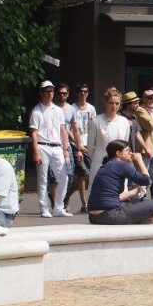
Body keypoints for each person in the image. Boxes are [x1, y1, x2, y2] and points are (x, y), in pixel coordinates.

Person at [87, 139, 153, 225]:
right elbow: (146, 180)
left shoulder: (104, 167)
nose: (131, 153)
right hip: (110, 215)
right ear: (118, 153)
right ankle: (145, 218)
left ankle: (143, 218)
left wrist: (138, 190)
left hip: (94, 217)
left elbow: (116, 197)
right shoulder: (121, 165)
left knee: (126, 204)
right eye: (128, 151)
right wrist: (139, 160)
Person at [29, 80, 72, 218]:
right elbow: (34, 134)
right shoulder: (36, 111)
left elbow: (63, 130)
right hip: (42, 146)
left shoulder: (58, 110)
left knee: (64, 177)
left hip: (57, 146)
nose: (50, 94)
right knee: (43, 178)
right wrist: (36, 152)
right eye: (47, 91)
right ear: (41, 93)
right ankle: (44, 208)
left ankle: (58, 207)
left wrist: (65, 148)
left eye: (51, 91)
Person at [87, 87, 131, 185]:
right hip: (100, 163)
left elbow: (125, 144)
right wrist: (97, 158)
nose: (114, 106)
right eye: (111, 103)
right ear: (105, 103)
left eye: (117, 103)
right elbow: (90, 146)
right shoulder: (96, 121)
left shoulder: (124, 122)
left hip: (119, 164)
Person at [65, 82, 96, 213]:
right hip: (76, 145)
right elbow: (68, 129)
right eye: (81, 92)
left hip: (89, 145)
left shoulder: (91, 109)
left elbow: (94, 127)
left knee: (85, 176)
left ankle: (65, 197)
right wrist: (78, 146)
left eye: (86, 91)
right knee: (82, 174)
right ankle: (85, 204)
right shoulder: (72, 109)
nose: (83, 94)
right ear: (77, 93)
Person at [136, 88, 153, 199]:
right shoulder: (140, 110)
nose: (152, 100)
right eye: (149, 97)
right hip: (145, 150)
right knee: (143, 177)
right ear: (143, 98)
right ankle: (138, 203)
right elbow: (148, 124)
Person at [53, 82, 76, 211]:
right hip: (54, 145)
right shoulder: (53, 108)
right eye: (60, 93)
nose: (62, 95)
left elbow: (72, 129)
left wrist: (78, 146)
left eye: (65, 93)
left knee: (70, 175)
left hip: (67, 146)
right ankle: (56, 203)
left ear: (68, 94)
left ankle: (62, 199)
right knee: (53, 177)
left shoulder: (71, 109)